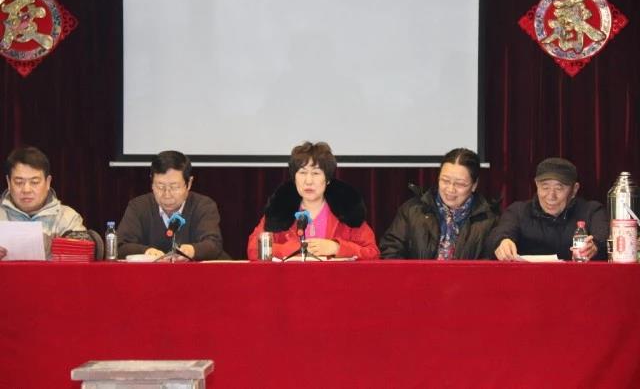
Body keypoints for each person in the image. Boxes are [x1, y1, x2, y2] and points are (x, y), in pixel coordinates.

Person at [247, 141, 379, 260]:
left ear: (327, 179)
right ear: (294, 178)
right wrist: (288, 250)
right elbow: (254, 249)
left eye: (316, 173)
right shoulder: (279, 211)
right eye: (302, 173)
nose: (308, 181)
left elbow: (372, 252)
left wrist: (337, 248)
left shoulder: (345, 212)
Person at [380, 148, 498, 259]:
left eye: (460, 184)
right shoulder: (413, 210)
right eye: (445, 181)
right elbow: (390, 251)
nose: (450, 189)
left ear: (474, 185)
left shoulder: (489, 220)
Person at [488, 157, 608, 261]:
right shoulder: (518, 211)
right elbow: (499, 234)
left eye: (559, 188)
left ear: (574, 189)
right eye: (545, 187)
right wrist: (501, 242)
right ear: (536, 185)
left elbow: (604, 237)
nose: (551, 196)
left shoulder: (591, 211)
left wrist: (595, 246)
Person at [117, 150, 230, 261]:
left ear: (189, 183)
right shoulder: (139, 207)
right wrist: (147, 251)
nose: (167, 195)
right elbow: (119, 245)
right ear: (151, 183)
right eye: (160, 186)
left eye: (174, 187)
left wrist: (191, 251)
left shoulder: (204, 206)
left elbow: (213, 244)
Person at [0, 146, 85, 260]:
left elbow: (81, 261)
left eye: (34, 182)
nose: (26, 190)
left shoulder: (68, 218)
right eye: (19, 182)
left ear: (48, 182)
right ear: (8, 183)